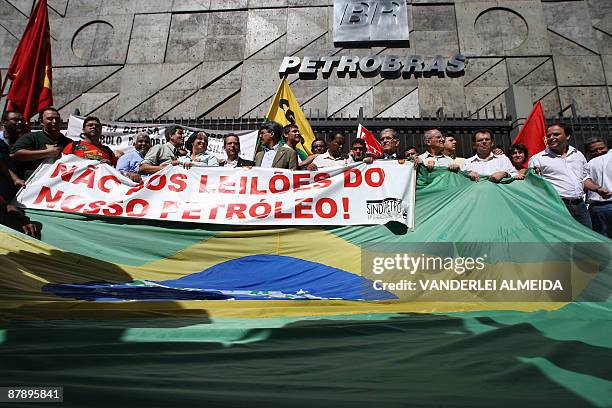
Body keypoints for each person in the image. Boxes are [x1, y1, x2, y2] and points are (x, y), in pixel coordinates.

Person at [529, 123, 598, 228]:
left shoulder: (578, 155)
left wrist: (598, 188)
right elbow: (534, 185)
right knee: (564, 242)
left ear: (567, 136)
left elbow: (584, 178)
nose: (551, 138)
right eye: (548, 136)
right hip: (557, 207)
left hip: (581, 207)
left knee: (587, 242)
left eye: (556, 134)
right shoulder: (537, 159)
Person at [11, 107, 72, 180]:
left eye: (57, 119)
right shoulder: (31, 137)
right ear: (41, 122)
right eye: (50, 119)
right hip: (34, 183)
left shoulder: (69, 142)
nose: (54, 121)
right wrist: (47, 153)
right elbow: (15, 155)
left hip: (58, 183)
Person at [585, 145, 611, 237]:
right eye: (594, 150)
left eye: (601, 148)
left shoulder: (590, 163)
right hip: (598, 208)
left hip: (598, 209)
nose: (599, 152)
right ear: (588, 154)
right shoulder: (588, 164)